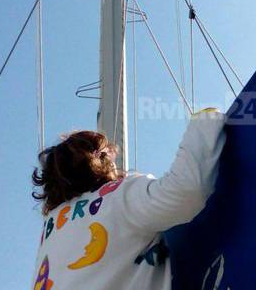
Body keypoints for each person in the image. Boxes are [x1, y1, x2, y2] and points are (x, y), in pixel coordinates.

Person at [30, 108, 225, 290]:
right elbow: (186, 191)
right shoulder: (117, 195)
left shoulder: (50, 226)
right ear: (101, 160)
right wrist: (206, 121)